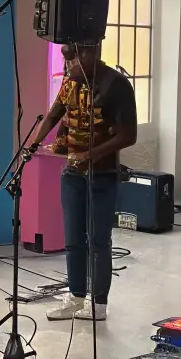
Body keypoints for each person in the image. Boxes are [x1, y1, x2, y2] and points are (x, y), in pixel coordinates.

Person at [31, 43, 137, 322]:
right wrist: (33, 144)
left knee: (99, 241)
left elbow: (129, 135)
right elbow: (53, 115)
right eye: (66, 60)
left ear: (92, 53)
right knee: (73, 240)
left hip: (102, 175)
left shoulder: (116, 85)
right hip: (72, 173)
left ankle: (98, 305)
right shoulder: (71, 82)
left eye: (74, 58)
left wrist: (91, 155)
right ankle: (76, 297)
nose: (69, 65)